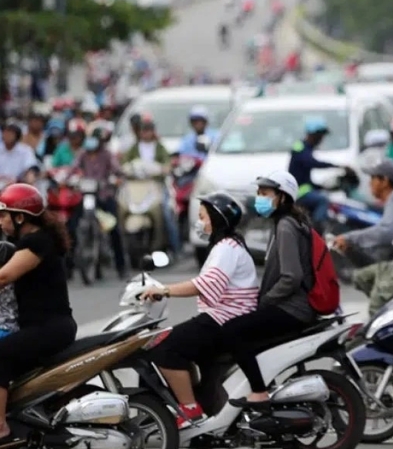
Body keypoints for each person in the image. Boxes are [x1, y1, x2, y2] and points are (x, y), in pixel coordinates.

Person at [139, 192, 258, 428]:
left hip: (225, 320)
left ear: (216, 219)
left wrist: (164, 290)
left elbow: (206, 284)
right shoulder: (227, 246)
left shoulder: (226, 248)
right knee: (179, 344)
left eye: (203, 217)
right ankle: (194, 400)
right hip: (223, 317)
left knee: (162, 347)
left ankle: (189, 410)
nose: (199, 222)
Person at [223, 171, 316, 406]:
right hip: (292, 306)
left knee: (233, 331)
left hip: (293, 309)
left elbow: (291, 277)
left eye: (265, 193)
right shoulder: (284, 224)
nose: (259, 198)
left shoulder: (285, 227)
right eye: (258, 193)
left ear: (282, 197)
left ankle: (259, 391)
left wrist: (265, 301)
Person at [0, 184, 78, 445]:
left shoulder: (37, 242)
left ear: (20, 217)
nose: (0, 221)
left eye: (3, 215)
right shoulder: (28, 241)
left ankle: (0, 428)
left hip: (49, 327)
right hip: (43, 326)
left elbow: (5, 275)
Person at [333, 159, 393, 315]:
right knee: (361, 277)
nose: (370, 184)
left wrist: (350, 238)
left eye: (373, 178)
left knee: (377, 304)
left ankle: (382, 317)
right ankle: (390, 308)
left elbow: (385, 231)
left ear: (385, 181)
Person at [121, 116, 180, 255]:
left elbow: (168, 163)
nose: (146, 133)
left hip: (156, 186)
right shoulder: (133, 148)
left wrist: (164, 168)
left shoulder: (160, 147)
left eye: (149, 130)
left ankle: (175, 247)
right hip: (136, 186)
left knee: (166, 213)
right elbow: (123, 164)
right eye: (144, 130)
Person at [73, 130, 126, 278]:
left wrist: (115, 179)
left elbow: (118, 171)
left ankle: (120, 265)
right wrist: (71, 178)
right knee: (72, 225)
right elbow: (74, 169)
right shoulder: (83, 154)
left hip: (104, 195)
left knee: (114, 229)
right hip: (86, 196)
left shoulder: (107, 155)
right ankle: (70, 267)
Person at [288, 118, 344, 229]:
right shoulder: (299, 147)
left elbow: (306, 178)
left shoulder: (308, 149)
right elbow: (310, 162)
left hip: (305, 189)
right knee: (323, 200)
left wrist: (323, 187)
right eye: (321, 135)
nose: (322, 139)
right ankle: (317, 230)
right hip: (299, 192)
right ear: (314, 134)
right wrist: (336, 166)